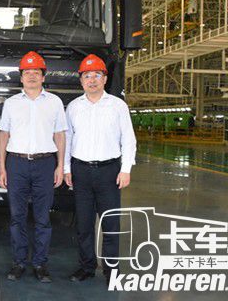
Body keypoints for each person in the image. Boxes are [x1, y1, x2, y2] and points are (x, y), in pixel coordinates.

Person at [64, 54, 136, 285]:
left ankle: (111, 270)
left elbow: (128, 139)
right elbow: (67, 139)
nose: (92, 80)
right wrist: (66, 168)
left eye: (97, 75)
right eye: (87, 76)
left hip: (109, 172)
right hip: (81, 171)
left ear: (105, 79)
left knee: (111, 224)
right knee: (84, 224)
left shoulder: (117, 106)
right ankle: (86, 266)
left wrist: (126, 169)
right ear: (81, 81)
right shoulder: (74, 107)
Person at [0, 51, 67, 283]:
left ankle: (39, 263)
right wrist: (2, 167)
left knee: (42, 218)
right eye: (27, 72)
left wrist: (60, 166)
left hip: (45, 164)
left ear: (43, 77)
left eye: (36, 72)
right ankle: (18, 262)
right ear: (21, 77)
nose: (32, 76)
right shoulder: (11, 104)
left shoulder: (55, 102)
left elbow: (60, 135)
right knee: (17, 217)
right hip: (16, 163)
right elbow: (4, 135)